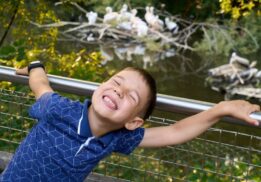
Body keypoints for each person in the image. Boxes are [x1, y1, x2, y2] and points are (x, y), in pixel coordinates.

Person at [1, 61, 260, 181]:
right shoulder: (59, 109)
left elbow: (174, 132)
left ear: (134, 122)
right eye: (115, 83)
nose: (118, 91)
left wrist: (221, 109)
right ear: (101, 86)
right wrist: (36, 66)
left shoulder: (118, 137)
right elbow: (41, 86)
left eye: (131, 96)